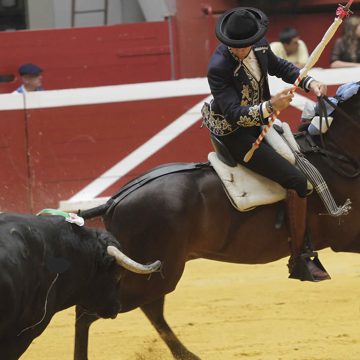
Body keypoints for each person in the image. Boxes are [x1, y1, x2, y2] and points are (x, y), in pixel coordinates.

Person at [201, 7, 330, 281]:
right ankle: (300, 257)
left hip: (260, 121)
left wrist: (309, 81)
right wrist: (271, 105)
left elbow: (281, 67)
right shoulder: (218, 67)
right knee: (296, 181)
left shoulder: (260, 47)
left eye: (241, 46)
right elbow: (233, 113)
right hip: (235, 133)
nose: (237, 51)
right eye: (232, 46)